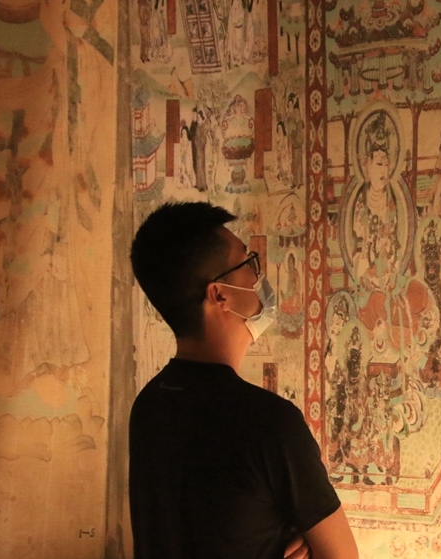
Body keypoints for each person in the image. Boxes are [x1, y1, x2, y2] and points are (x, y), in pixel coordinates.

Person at [129, 202, 358, 559]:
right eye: (247, 263)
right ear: (219, 294)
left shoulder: (149, 406)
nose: (257, 276)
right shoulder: (270, 423)